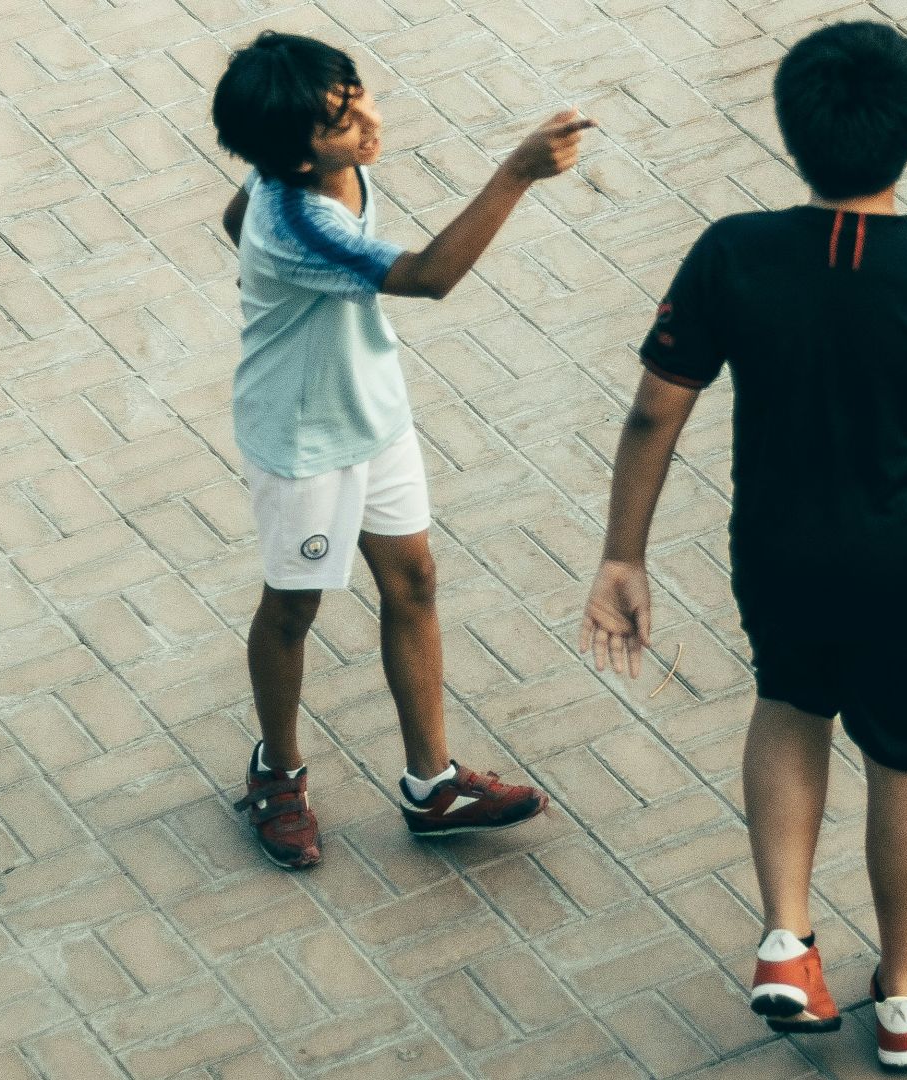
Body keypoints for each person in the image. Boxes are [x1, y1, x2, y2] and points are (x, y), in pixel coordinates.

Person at [579, 22, 907, 1069]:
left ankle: (788, 946)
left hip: (781, 552)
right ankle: (900, 999)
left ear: (793, 133)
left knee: (791, 706)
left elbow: (654, 413)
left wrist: (625, 554)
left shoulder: (734, 253)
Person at [211, 31, 592, 869]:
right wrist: (517, 172)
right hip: (304, 444)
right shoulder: (304, 219)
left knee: (413, 581)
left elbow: (232, 214)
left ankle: (433, 785)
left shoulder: (286, 168)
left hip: (372, 414)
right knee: (294, 608)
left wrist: (253, 279)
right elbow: (427, 276)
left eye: (360, 99)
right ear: (298, 159)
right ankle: (276, 772)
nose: (371, 123)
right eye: (346, 124)